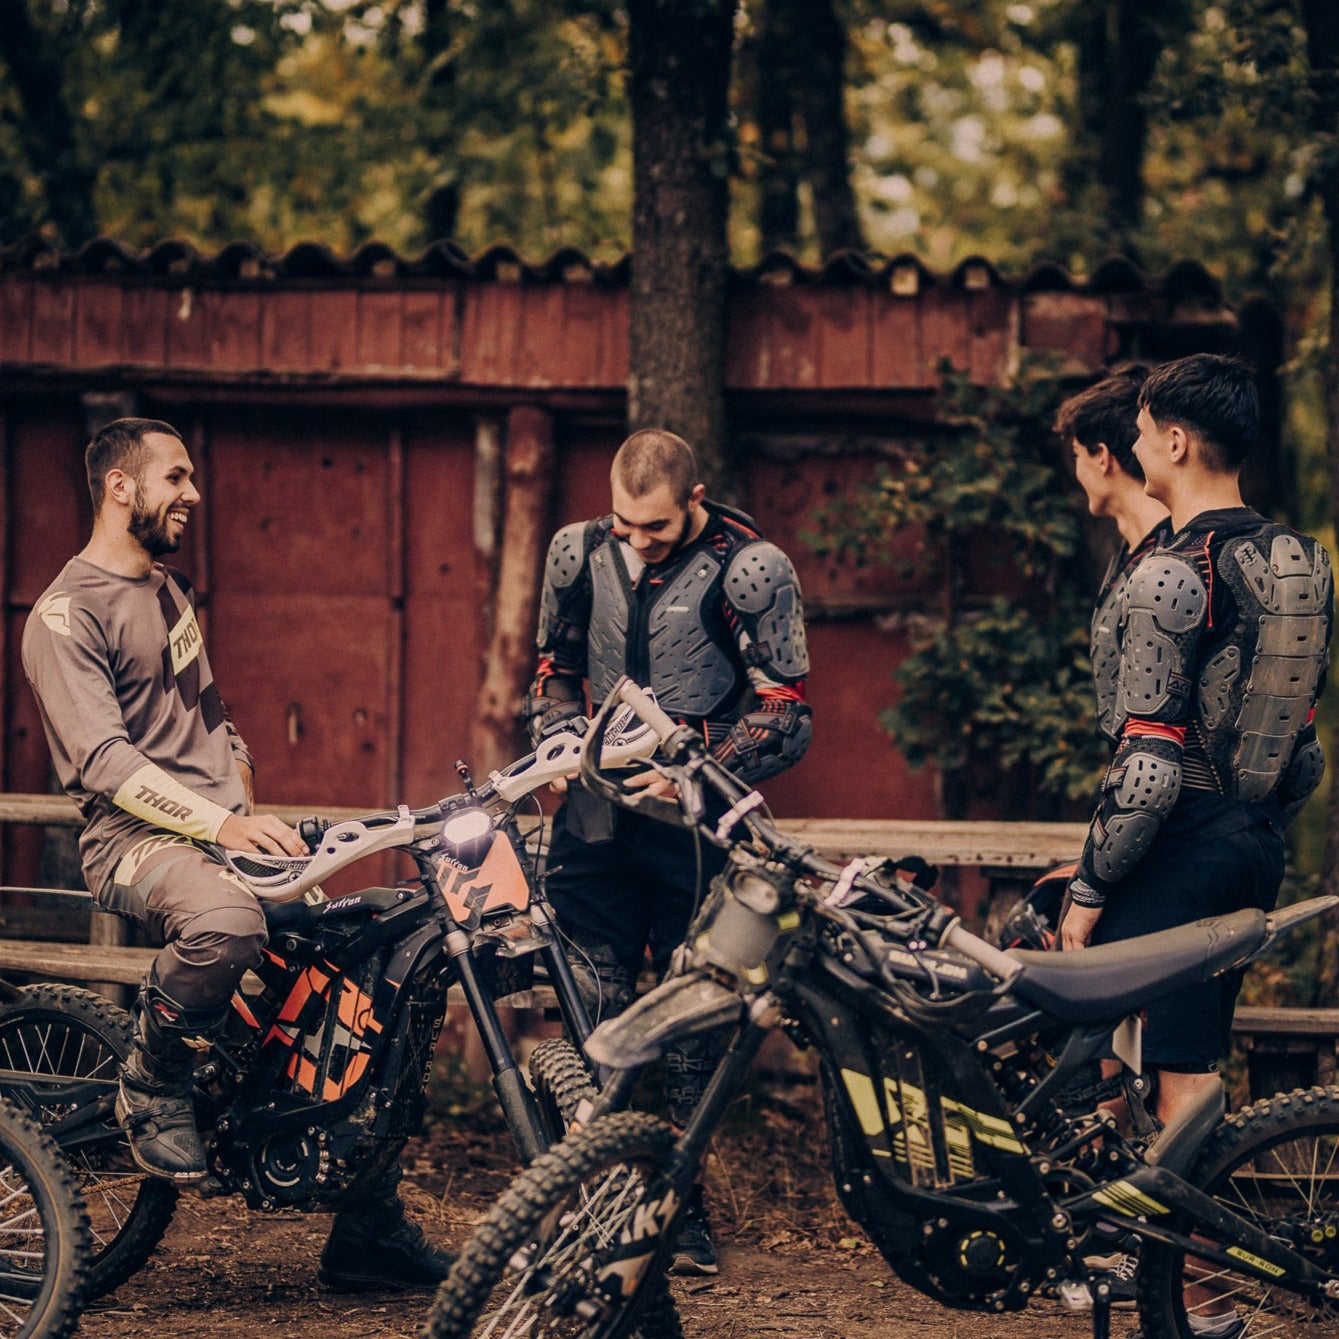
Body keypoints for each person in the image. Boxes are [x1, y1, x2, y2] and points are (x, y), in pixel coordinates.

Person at [21, 417, 453, 1292]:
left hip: (219, 834)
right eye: (175, 477)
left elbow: (212, 721)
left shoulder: (170, 594)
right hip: (133, 845)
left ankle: (365, 1220)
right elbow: (105, 763)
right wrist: (220, 834)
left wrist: (249, 816)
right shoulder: (64, 617)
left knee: (385, 947)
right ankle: (151, 1080)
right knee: (225, 922)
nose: (192, 493)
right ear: (119, 487)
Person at [525, 428, 812, 1274]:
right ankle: (597, 1206)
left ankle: (679, 1216)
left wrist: (696, 769)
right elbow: (555, 665)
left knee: (690, 1035)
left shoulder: (751, 567)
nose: (637, 539)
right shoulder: (577, 552)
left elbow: (787, 710)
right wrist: (560, 741)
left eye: (654, 525)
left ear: (693, 499)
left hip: (696, 830)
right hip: (591, 822)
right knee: (593, 1013)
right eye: (625, 523)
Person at [1058, 355, 1331, 1134]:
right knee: (1190, 1056)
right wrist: (1251, 826)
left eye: (1141, 434)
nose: (1135, 448)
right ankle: (1165, 1241)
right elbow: (1303, 754)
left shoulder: (1170, 572)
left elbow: (1147, 769)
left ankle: (1163, 1254)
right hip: (1253, 844)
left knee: (1169, 1070)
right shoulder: (1301, 562)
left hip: (1177, 849)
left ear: (1175, 442)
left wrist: (1087, 889)